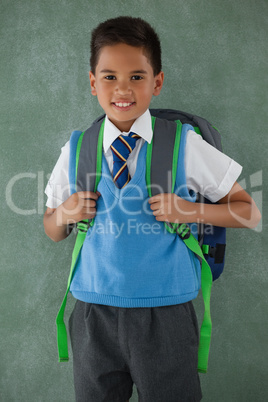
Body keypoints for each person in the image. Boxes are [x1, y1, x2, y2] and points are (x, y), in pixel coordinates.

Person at [43, 16, 261, 402]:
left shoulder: (184, 145)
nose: (122, 89)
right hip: (92, 313)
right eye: (109, 77)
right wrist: (64, 213)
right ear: (92, 82)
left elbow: (249, 212)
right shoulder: (76, 148)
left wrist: (191, 211)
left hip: (167, 314)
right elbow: (52, 229)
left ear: (157, 82)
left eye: (137, 77)